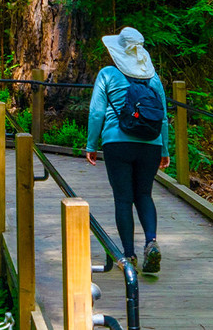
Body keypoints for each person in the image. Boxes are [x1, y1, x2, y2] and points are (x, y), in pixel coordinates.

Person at [85, 26, 171, 273]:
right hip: (150, 144)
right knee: (144, 194)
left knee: (123, 198)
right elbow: (162, 117)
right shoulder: (152, 78)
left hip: (117, 142)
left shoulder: (108, 74)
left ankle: (129, 256)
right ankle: (151, 242)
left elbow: (97, 112)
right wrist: (164, 148)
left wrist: (91, 144)